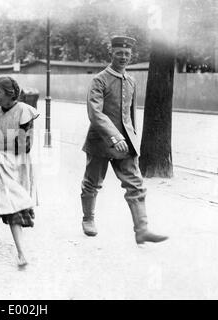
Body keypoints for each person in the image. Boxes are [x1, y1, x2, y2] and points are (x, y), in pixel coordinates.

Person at [80, 36, 168, 245]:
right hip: (100, 142)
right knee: (92, 183)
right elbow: (95, 113)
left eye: (127, 54)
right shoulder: (99, 80)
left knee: (135, 185)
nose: (123, 57)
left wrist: (133, 141)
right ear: (111, 53)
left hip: (125, 144)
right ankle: (88, 219)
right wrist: (114, 135)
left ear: (131, 56)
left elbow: (130, 115)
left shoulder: (131, 81)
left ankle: (142, 229)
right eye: (119, 53)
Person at [0, 77, 39, 266]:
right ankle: (21, 253)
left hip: (19, 163)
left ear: (10, 94)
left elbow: (23, 145)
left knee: (8, 202)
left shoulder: (24, 111)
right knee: (11, 202)